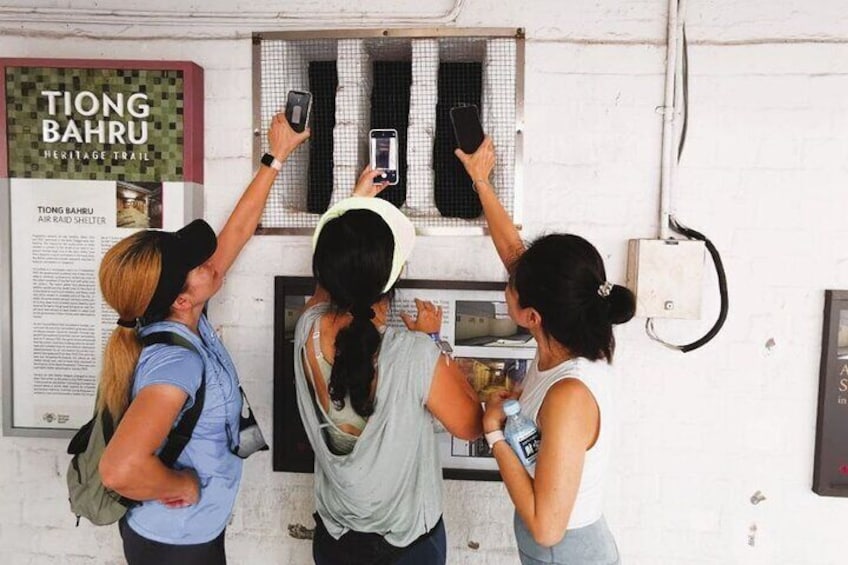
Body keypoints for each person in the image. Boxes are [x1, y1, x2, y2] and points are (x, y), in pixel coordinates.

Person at [96, 114, 309, 564]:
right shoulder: (177, 364)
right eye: (197, 265)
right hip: (175, 543)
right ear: (178, 299)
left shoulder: (187, 320)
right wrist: (184, 485)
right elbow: (120, 469)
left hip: (191, 532)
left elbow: (236, 233)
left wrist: (278, 155)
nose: (211, 264)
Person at [454, 137, 636, 565]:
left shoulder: (570, 396)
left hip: (564, 553)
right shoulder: (571, 333)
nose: (508, 281)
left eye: (513, 286)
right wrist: (481, 181)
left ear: (532, 315)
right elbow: (515, 254)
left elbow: (547, 525)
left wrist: (494, 433)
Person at [293, 171, 484, 565]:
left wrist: (351, 204)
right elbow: (470, 426)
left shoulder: (307, 329)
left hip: (335, 535)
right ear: (393, 277)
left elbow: (325, 281)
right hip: (406, 544)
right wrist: (433, 340)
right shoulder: (414, 353)